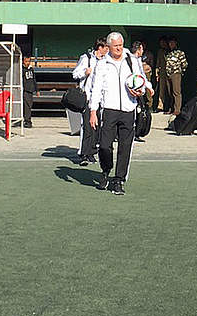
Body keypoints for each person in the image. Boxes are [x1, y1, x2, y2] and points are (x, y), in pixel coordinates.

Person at [87, 32, 147, 196]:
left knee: (125, 146)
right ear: (109, 47)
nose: (119, 48)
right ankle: (106, 170)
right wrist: (93, 110)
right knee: (105, 145)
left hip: (128, 110)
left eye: (121, 44)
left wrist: (140, 91)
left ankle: (119, 180)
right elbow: (96, 88)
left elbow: (140, 79)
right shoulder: (102, 64)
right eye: (116, 46)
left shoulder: (131, 60)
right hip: (110, 110)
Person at [72, 37, 109, 165]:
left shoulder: (106, 61)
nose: (108, 50)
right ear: (100, 47)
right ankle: (83, 153)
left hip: (101, 99)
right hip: (87, 97)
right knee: (87, 126)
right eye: (106, 47)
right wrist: (84, 72)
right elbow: (75, 73)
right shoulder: (86, 58)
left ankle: (92, 152)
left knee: (97, 127)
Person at [160, 37, 187, 116]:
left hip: (176, 74)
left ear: (175, 43)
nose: (171, 45)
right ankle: (171, 108)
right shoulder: (168, 53)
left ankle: (177, 109)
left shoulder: (179, 53)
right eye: (170, 43)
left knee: (176, 92)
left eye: (172, 43)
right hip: (168, 74)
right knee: (169, 92)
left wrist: (180, 72)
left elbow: (184, 64)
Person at [21, 55, 36, 127]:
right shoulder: (22, 70)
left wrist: (36, 89)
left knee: (29, 105)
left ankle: (27, 119)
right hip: (25, 89)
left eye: (29, 61)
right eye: (26, 61)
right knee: (27, 106)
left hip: (31, 89)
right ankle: (27, 121)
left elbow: (34, 79)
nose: (27, 63)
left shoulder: (31, 69)